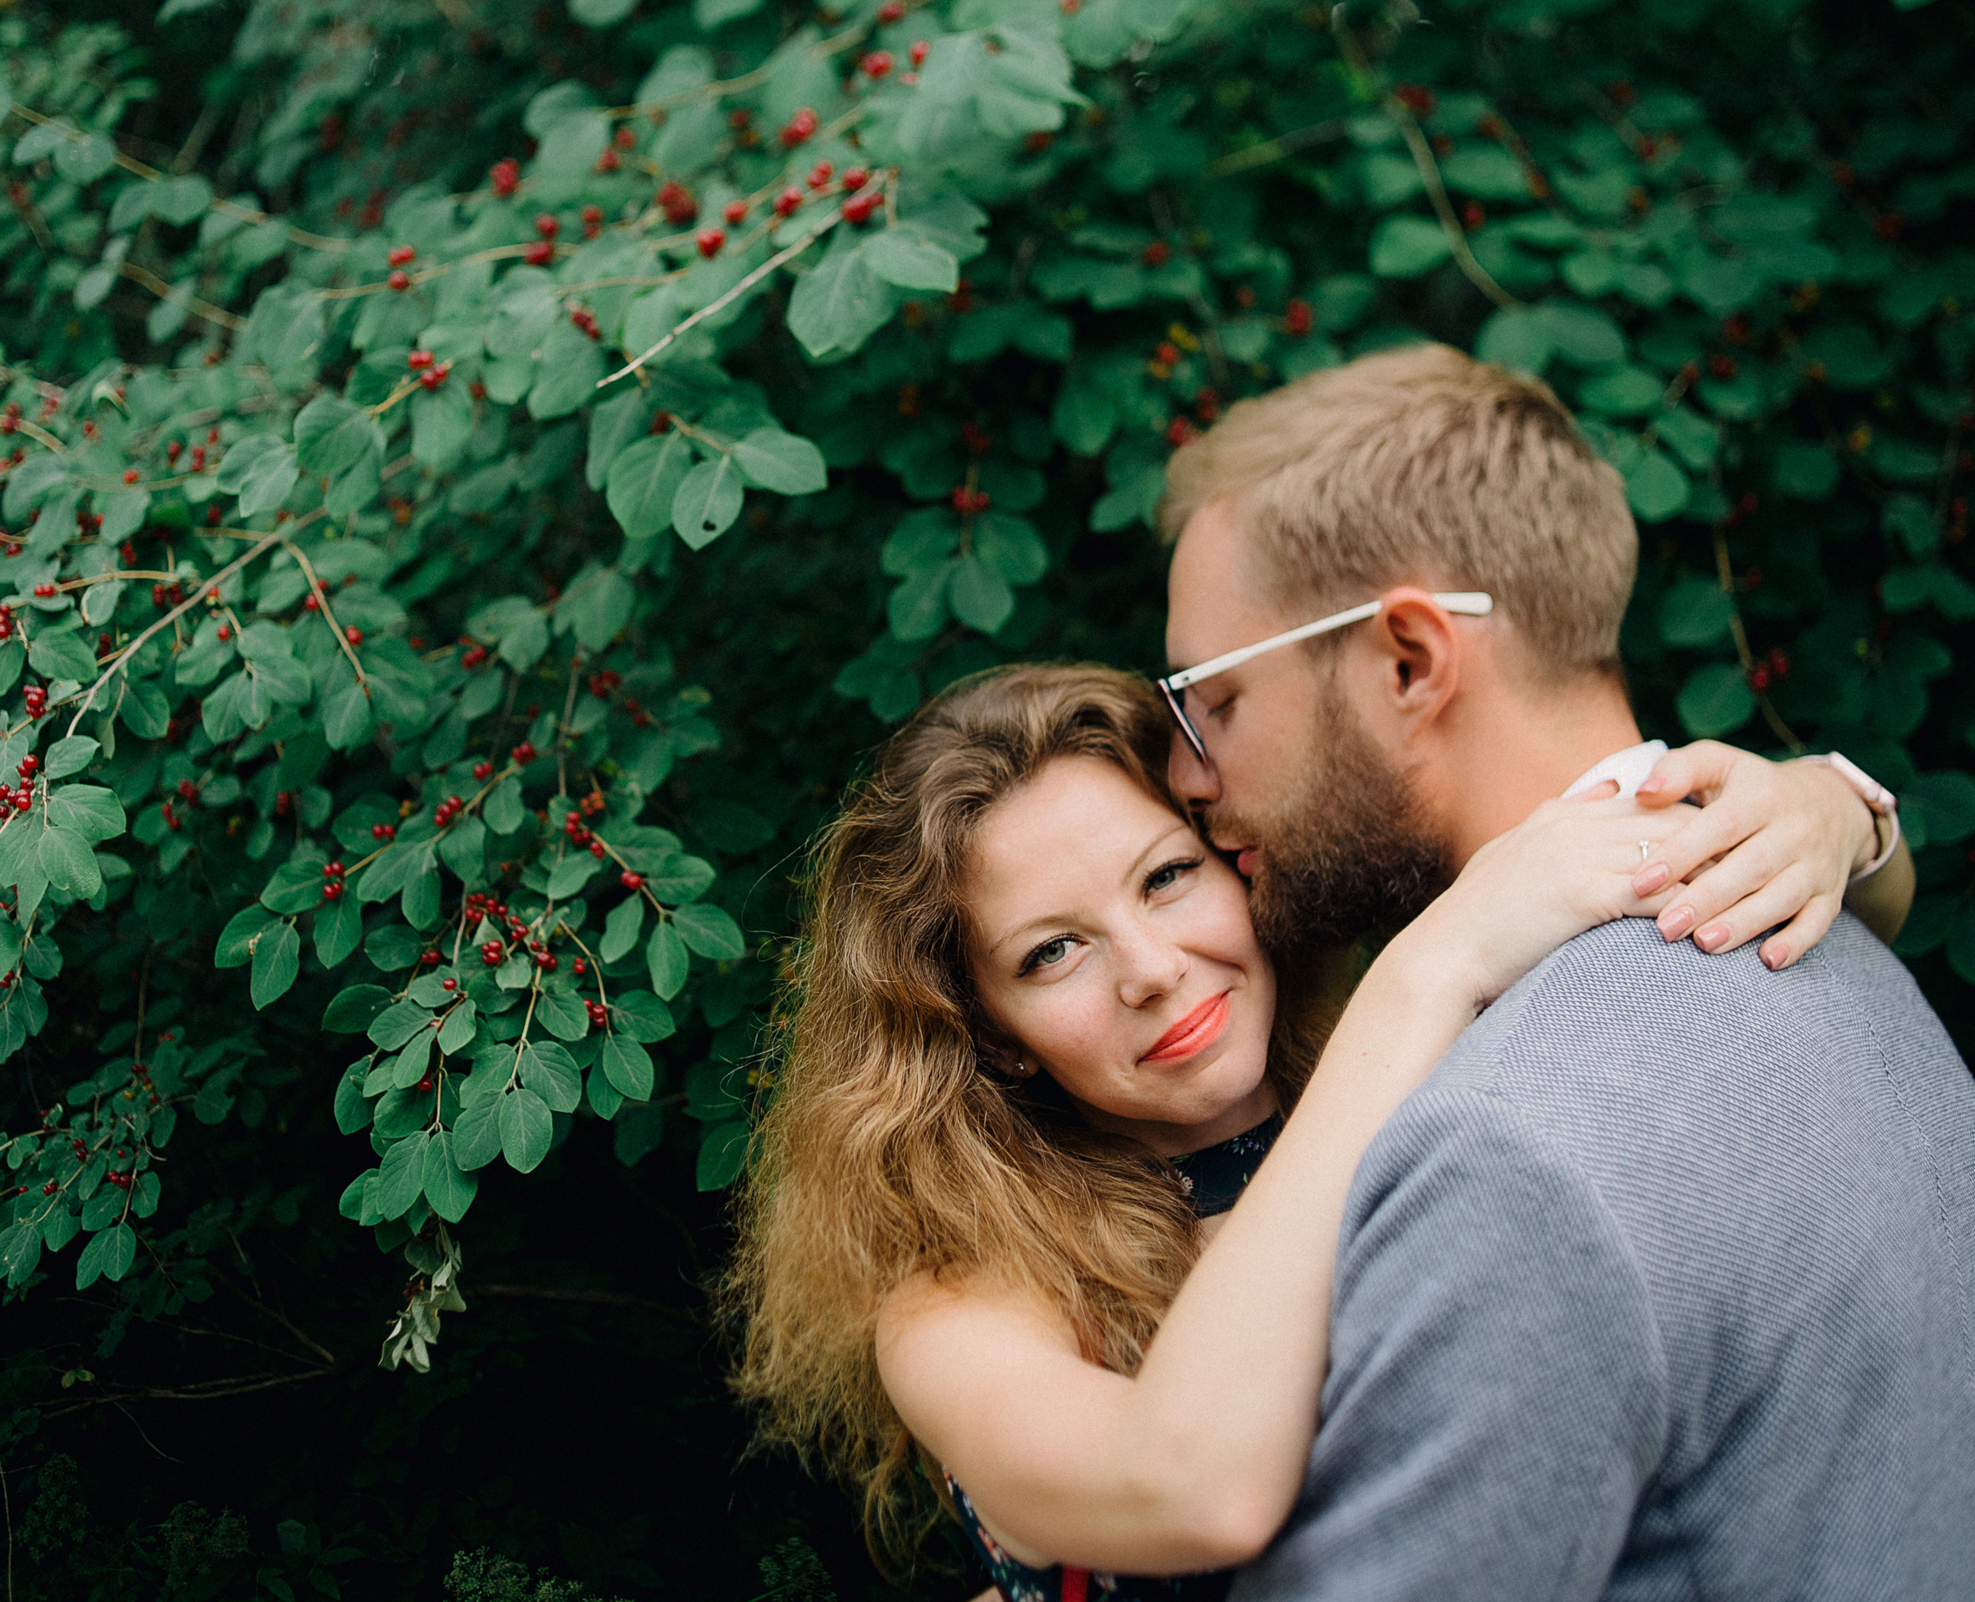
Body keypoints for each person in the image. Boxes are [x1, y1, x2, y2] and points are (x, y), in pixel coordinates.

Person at [724, 658, 1896, 1600]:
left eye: (1167, 876)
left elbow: (1798, 883)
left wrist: (1831, 814)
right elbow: (1189, 1490)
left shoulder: (1427, 1054)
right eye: (1051, 951)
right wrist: (1425, 971)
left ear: (1240, 860)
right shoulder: (961, 1299)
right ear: (995, 1035)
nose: (1151, 969)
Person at [1147, 344, 1975, 1599]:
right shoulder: (1838, 944)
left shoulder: (1509, 1150)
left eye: (1216, 700)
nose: (1187, 776)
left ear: (1410, 661)